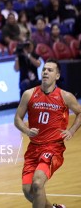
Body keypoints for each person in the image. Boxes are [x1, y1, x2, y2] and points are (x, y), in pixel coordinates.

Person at [14, 59, 81, 208]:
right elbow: (17, 118)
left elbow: (79, 113)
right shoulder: (29, 94)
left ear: (57, 76)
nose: (45, 72)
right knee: (28, 191)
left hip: (53, 148)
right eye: (44, 69)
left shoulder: (65, 96)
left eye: (50, 70)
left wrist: (71, 130)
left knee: (38, 183)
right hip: (33, 148)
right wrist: (26, 130)